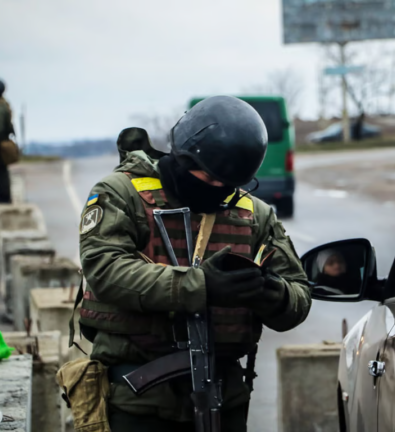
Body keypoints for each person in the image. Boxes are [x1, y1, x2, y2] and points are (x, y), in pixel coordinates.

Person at [77, 95, 312, 431]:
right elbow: (105, 269)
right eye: (209, 178)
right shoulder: (120, 194)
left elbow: (299, 296)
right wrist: (201, 286)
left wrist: (268, 292)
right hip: (138, 398)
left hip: (224, 397)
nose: (216, 190)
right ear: (183, 155)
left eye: (226, 185)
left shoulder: (253, 214)